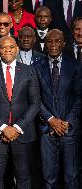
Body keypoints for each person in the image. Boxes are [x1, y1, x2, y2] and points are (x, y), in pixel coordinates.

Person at [0, 36, 40, 189]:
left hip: (23, 134)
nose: (7, 50)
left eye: (11, 47)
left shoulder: (29, 71)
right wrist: (3, 128)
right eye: (3, 47)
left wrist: (17, 128)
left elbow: (35, 103)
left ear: (17, 48)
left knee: (24, 178)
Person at [34, 29, 82, 189]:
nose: (53, 44)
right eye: (50, 41)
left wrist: (67, 122)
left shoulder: (74, 65)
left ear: (64, 43)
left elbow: (78, 97)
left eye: (57, 41)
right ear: (45, 44)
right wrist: (51, 120)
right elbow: (35, 98)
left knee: (71, 178)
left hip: (70, 131)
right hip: (47, 131)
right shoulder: (36, 67)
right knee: (49, 179)